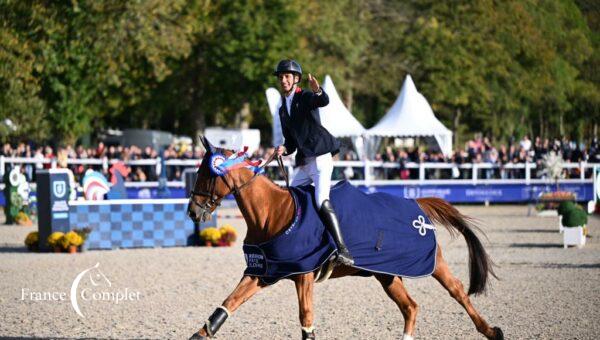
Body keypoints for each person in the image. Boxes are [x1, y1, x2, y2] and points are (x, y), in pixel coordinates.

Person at [273, 59, 354, 266]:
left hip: (320, 158)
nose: (283, 80)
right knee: (290, 196)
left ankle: (343, 249)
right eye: (281, 77)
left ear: (296, 79)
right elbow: (291, 141)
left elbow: (322, 101)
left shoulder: (305, 96)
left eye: (287, 77)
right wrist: (284, 148)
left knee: (320, 201)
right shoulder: (283, 108)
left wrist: (318, 91)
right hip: (304, 161)